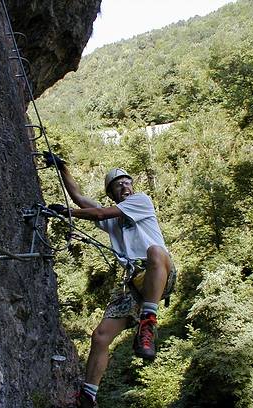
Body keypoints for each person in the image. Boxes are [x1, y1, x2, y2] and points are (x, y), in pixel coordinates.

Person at [45, 153, 176, 408]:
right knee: (101, 336)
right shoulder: (114, 219)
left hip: (158, 274)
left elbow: (99, 213)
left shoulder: (141, 201)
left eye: (128, 182)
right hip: (132, 283)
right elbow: (82, 199)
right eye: (119, 185)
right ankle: (87, 397)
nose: (125, 187)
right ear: (112, 192)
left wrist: (68, 212)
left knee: (155, 251)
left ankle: (148, 321)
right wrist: (63, 169)